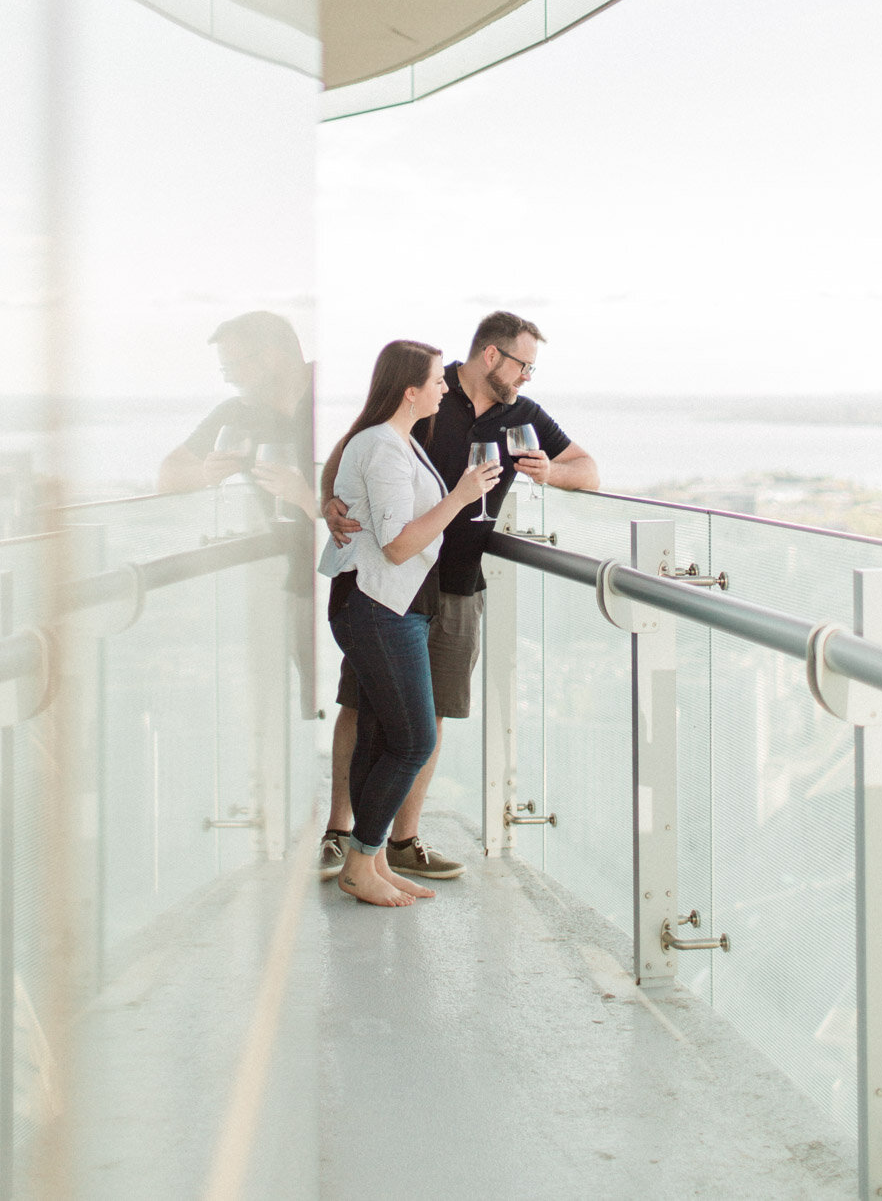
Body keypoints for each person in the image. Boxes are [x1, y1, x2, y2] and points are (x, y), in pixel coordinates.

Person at [319, 311, 599, 880]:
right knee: (360, 704)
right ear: (492, 356)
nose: (528, 378)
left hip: (458, 585)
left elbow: (588, 471)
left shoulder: (524, 415)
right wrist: (331, 501)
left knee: (433, 714)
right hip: (390, 584)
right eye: (524, 365)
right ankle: (340, 831)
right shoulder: (427, 389)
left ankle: (402, 840)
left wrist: (551, 473)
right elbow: (352, 451)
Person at [318, 339, 502, 907]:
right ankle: (361, 862)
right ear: (411, 391)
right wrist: (464, 496)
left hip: (395, 607)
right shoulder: (381, 446)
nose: (445, 387)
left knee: (381, 735)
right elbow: (398, 546)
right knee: (416, 740)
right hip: (376, 606)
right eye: (437, 381)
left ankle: (366, 865)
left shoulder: (397, 441)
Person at [158, 311, 316, 518]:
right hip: (277, 550)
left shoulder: (341, 399)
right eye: (225, 369)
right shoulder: (236, 413)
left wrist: (303, 498)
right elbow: (168, 477)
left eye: (232, 366)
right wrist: (205, 473)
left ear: (271, 357)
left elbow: (365, 521)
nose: (228, 379)